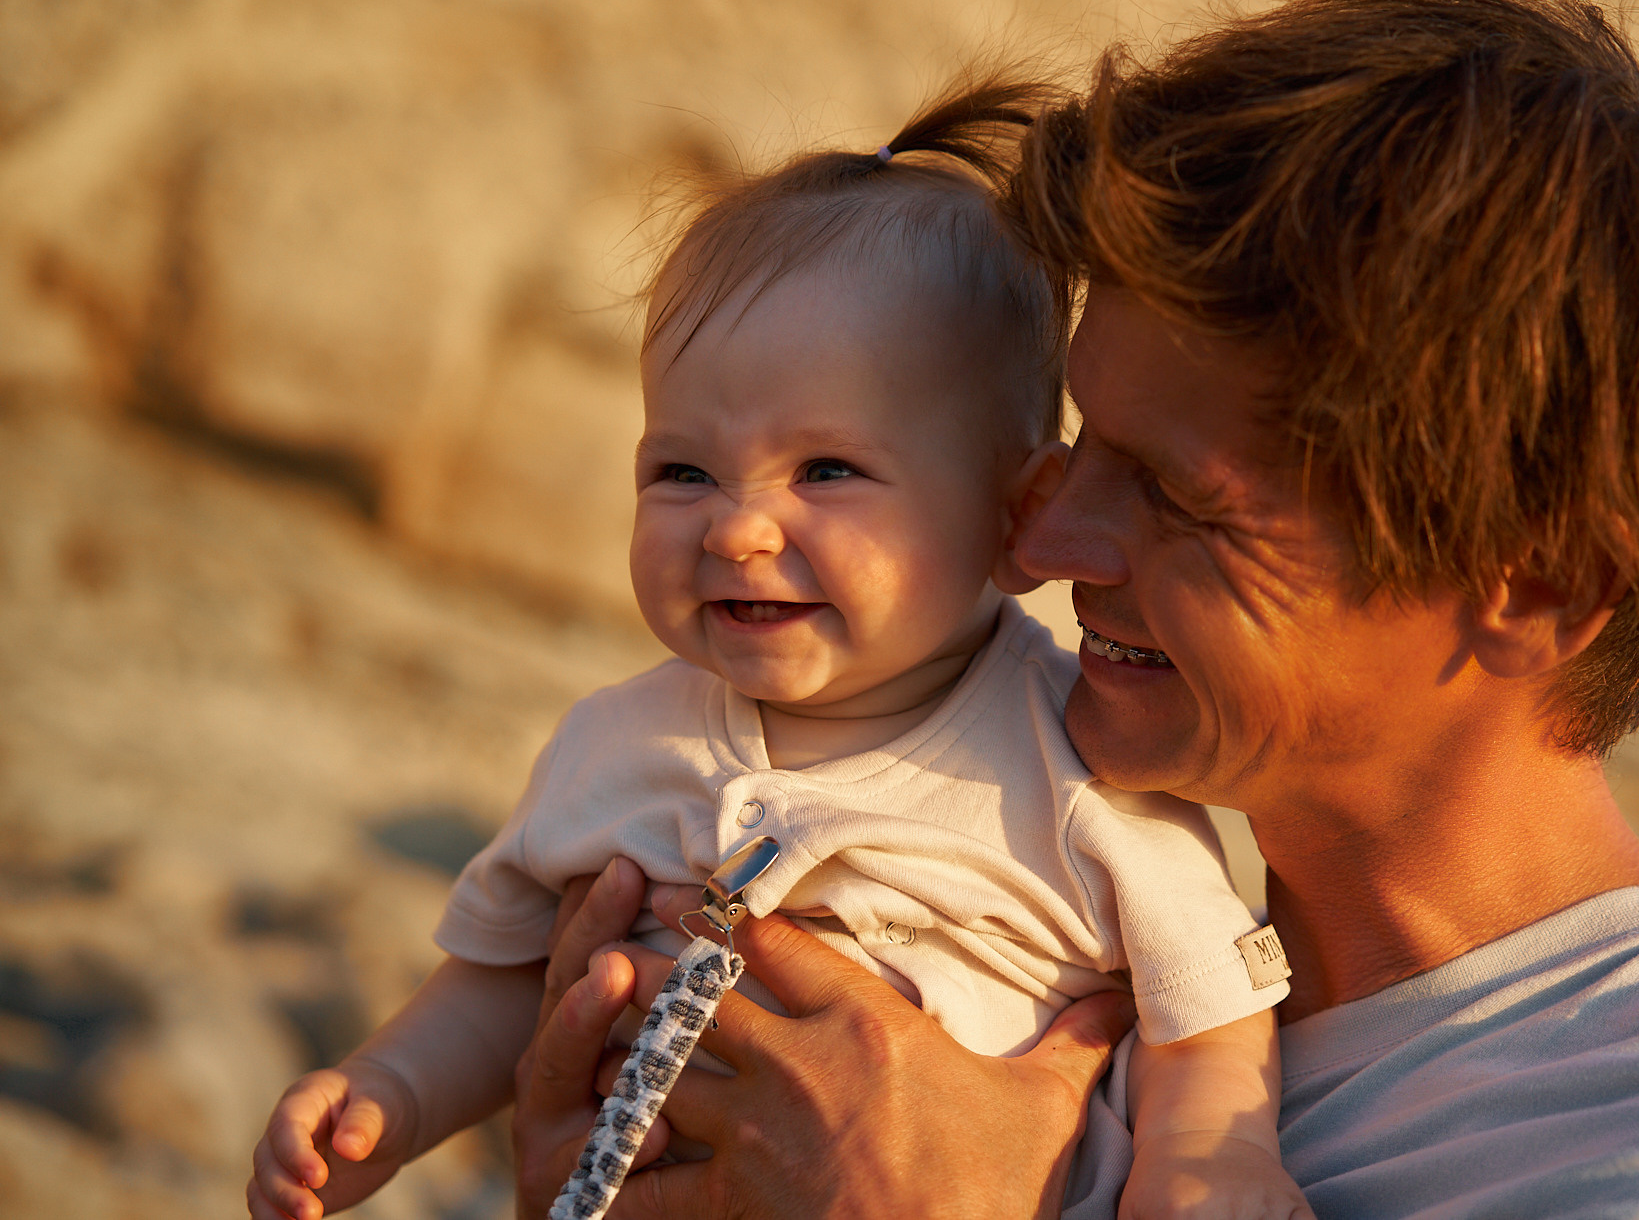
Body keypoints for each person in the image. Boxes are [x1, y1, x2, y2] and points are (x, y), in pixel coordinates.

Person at [509, 0, 1639, 1218]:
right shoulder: (1055, 934)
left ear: (1540, 586)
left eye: (1179, 495)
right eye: (1079, 446)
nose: (1048, 541)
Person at [247, 83, 1313, 1220]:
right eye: (683, 472)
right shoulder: (616, 740)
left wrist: (1212, 1166)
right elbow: (502, 981)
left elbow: (1206, 1019)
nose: (738, 528)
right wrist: (388, 1098)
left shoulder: (1077, 772)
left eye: (826, 473)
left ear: (1017, 517)